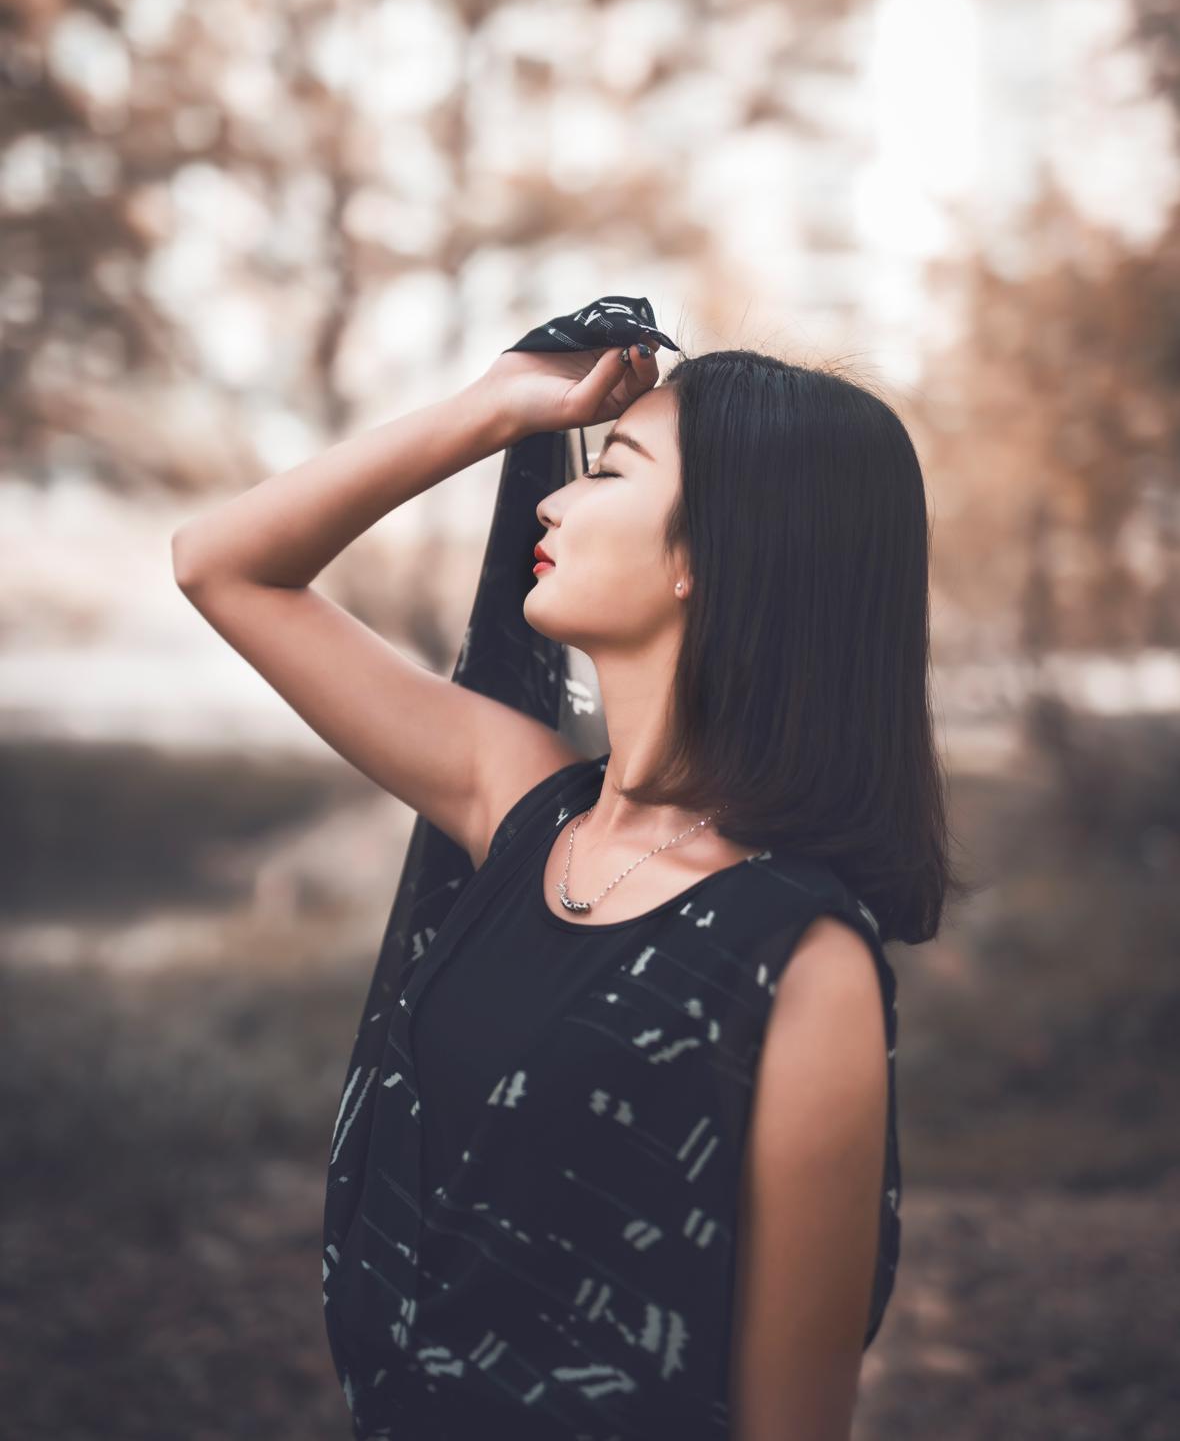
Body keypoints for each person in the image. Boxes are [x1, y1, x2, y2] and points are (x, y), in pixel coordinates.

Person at [173, 294, 963, 1440]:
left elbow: (791, 1420)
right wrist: (493, 409)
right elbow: (220, 564)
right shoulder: (524, 807)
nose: (551, 498)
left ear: (712, 552)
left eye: (609, 470)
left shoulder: (800, 961)